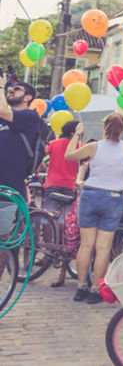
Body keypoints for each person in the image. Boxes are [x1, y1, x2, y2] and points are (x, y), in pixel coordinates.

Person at [65, 111, 123, 303]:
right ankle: (95, 289)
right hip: (113, 198)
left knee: (86, 245)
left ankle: (80, 287)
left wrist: (77, 134)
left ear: (104, 128)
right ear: (122, 129)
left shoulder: (94, 147)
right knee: (103, 248)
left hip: (90, 195)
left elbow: (69, 155)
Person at [0, 75, 41, 294]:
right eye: (9, 88)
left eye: (16, 89)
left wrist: (0, 84)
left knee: (1, 238)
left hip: (8, 189)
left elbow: (3, 110)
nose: (10, 90)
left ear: (27, 97)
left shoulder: (28, 117)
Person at [43, 120, 83, 211]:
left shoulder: (53, 143)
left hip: (53, 182)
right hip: (69, 185)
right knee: (66, 217)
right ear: (73, 134)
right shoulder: (80, 147)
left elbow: (41, 154)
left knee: (47, 215)